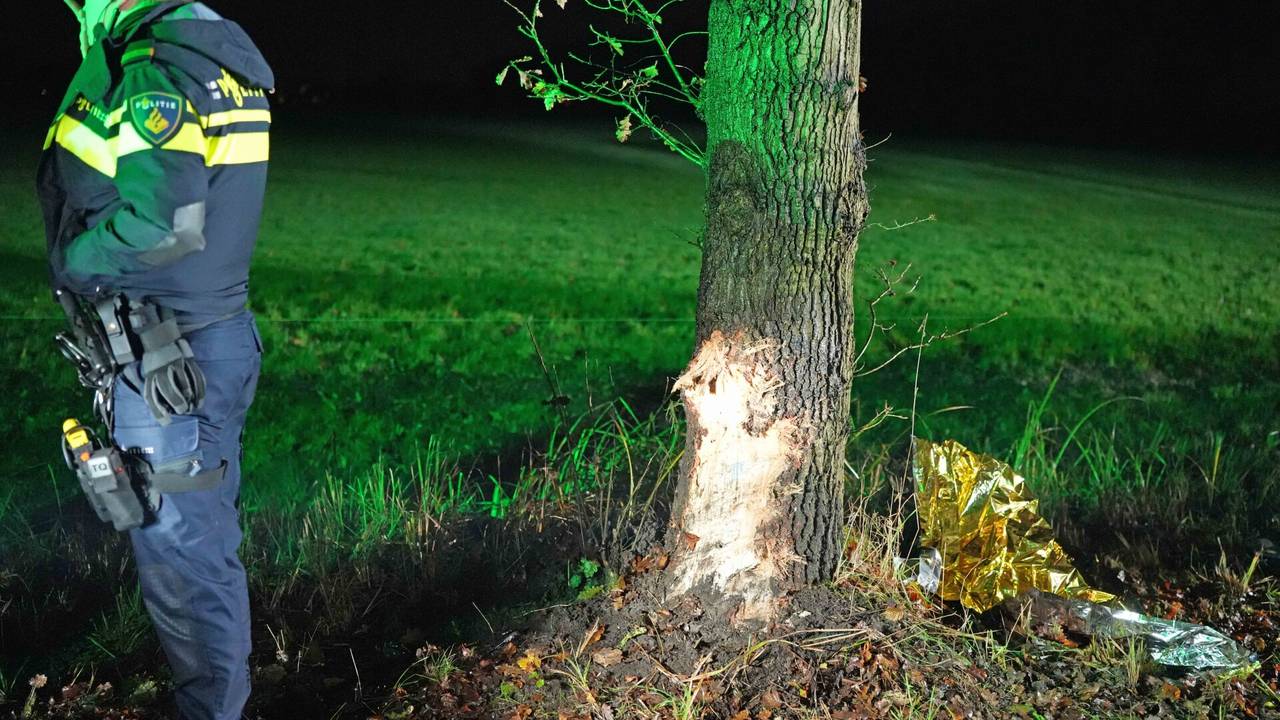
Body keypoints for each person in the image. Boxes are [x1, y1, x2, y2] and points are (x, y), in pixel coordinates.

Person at [38, 2, 273, 718]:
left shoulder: (153, 69)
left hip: (169, 360)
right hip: (202, 341)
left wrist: (75, 262)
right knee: (198, 546)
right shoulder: (214, 55)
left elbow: (165, 225)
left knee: (183, 562)